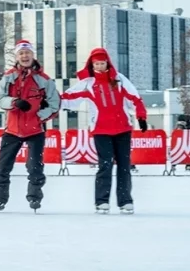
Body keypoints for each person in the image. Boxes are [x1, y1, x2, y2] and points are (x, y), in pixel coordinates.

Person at [60, 48, 147, 214]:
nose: (100, 66)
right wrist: (50, 101)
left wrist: (141, 117)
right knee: (105, 165)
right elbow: (68, 98)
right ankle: (101, 201)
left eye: (102, 63)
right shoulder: (88, 83)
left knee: (124, 166)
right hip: (101, 130)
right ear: (92, 65)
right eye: (96, 64)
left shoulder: (119, 79)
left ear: (107, 63)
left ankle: (125, 201)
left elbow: (135, 97)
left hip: (122, 128)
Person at [0, 40, 60, 213]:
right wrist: (14, 102)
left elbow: (55, 104)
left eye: (27, 53)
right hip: (12, 129)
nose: (24, 56)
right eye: (21, 53)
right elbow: (0, 100)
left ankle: (34, 197)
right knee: (2, 166)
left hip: (35, 130)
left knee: (34, 166)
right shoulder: (8, 77)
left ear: (33, 55)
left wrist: (39, 115)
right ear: (17, 56)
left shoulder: (44, 80)